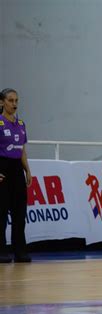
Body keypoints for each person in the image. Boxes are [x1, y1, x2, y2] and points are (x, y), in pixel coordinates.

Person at [0, 88, 32, 263]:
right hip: (2, 168)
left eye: (16, 101)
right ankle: (1, 251)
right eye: (10, 100)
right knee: (1, 212)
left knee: (20, 213)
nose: (14, 104)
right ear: (2, 102)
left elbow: (22, 150)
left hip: (17, 170)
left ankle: (20, 251)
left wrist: (27, 170)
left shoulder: (21, 124)